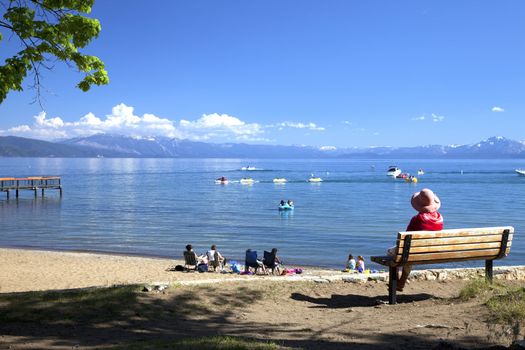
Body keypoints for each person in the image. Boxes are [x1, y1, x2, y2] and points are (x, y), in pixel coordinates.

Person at [394, 188, 443, 291]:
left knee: (395, 253)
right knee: (409, 254)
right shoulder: (439, 218)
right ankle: (401, 283)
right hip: (433, 251)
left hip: (414, 251)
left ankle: (399, 281)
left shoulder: (417, 219)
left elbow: (406, 236)